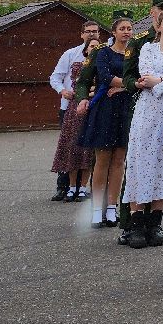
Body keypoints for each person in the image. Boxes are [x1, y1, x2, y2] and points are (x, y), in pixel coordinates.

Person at [123, 8, 163, 249]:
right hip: (148, 113)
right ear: (158, 26)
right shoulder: (148, 48)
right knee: (142, 162)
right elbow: (146, 76)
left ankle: (155, 222)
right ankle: (136, 222)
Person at [77, 11, 134, 229]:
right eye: (122, 28)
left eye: (129, 29)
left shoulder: (135, 53)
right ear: (114, 32)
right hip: (105, 109)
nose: (126, 32)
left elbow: (138, 76)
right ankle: (96, 208)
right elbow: (104, 76)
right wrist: (126, 84)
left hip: (126, 107)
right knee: (101, 159)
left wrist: (123, 86)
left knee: (119, 159)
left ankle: (112, 207)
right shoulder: (103, 52)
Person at [48, 20, 100, 201]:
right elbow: (55, 77)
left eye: (95, 31)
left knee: (89, 149)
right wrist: (62, 91)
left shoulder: (101, 54)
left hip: (92, 107)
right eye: (88, 32)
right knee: (69, 146)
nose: (92, 34)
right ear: (82, 34)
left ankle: (84, 187)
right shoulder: (71, 54)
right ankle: (64, 186)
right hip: (69, 107)